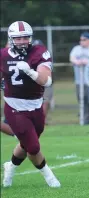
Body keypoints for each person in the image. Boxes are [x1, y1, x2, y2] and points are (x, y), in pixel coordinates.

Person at [0, 21, 60, 188]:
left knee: (25, 143)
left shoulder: (39, 52)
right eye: (18, 38)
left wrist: (30, 71)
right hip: (14, 107)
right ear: (11, 39)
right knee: (33, 146)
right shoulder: (3, 55)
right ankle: (49, 176)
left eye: (25, 37)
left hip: (36, 105)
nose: (22, 41)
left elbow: (46, 81)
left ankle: (10, 167)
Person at [69, 32, 89, 124]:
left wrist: (87, 61)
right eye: (81, 40)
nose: (82, 42)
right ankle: (85, 118)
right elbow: (72, 58)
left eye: (84, 40)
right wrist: (77, 62)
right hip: (79, 81)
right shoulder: (77, 49)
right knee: (81, 99)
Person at [32, 39, 53, 124]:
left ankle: (41, 120)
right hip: (34, 83)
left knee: (45, 101)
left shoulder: (45, 55)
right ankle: (38, 121)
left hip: (45, 81)